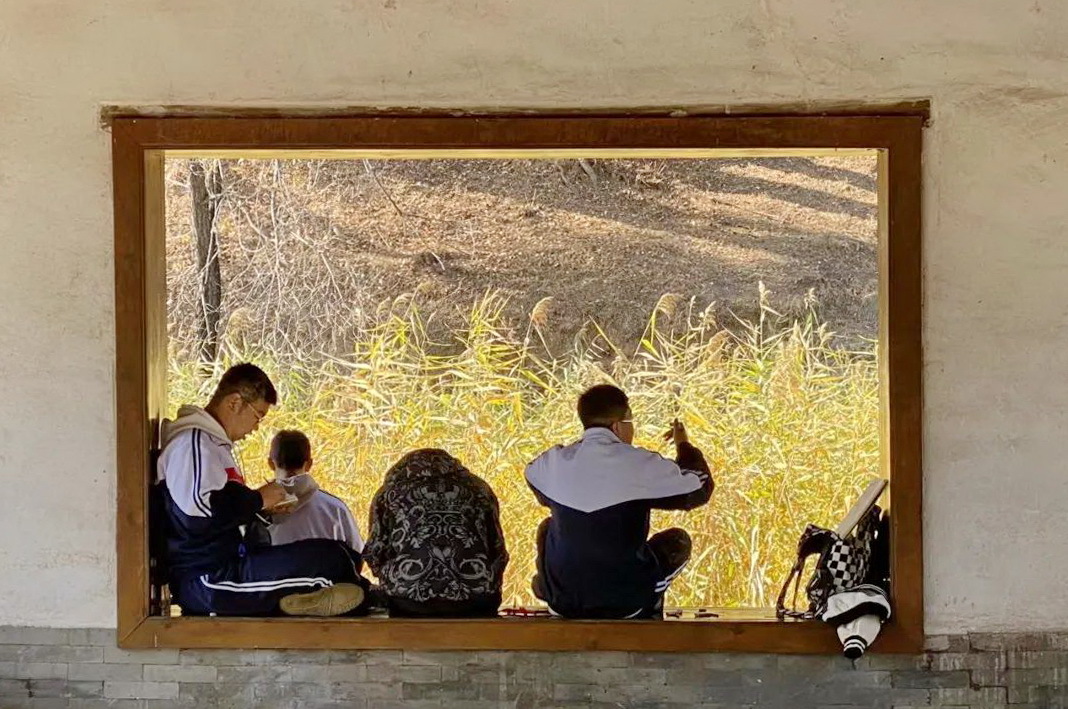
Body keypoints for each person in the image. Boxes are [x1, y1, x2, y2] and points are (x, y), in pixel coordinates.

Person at [155, 363, 368, 617]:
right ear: (235, 402)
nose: (255, 427)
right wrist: (258, 499)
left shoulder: (212, 445)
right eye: (258, 416)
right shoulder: (193, 443)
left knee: (338, 554)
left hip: (229, 564)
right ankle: (306, 599)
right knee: (331, 568)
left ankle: (299, 598)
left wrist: (262, 511)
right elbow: (198, 512)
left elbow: (220, 513)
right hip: (209, 579)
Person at [525, 384, 714, 619]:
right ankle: (648, 599)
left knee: (548, 527)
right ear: (617, 426)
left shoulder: (554, 461)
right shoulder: (638, 464)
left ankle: (547, 587)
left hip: (563, 602)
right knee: (678, 541)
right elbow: (699, 487)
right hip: (625, 603)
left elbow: (531, 475)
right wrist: (683, 445)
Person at [363, 449, 508, 617]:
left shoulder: (390, 493)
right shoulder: (480, 489)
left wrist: (394, 579)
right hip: (478, 600)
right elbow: (497, 548)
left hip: (408, 601)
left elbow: (375, 551)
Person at [266, 429, 364, 552]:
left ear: (270, 463)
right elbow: (357, 553)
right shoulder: (336, 510)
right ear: (309, 464)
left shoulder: (258, 512)